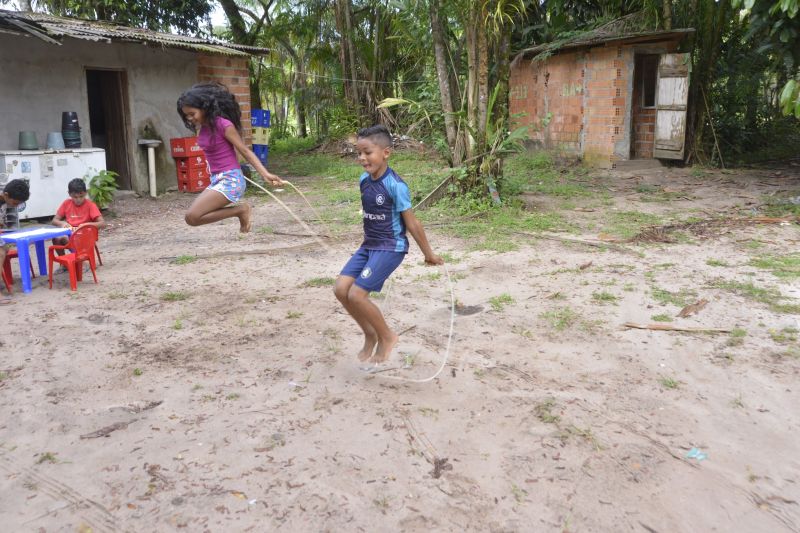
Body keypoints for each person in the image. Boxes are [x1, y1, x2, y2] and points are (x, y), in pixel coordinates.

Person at [334, 125, 443, 364]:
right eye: (359, 153)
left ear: (386, 153)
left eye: (367, 152)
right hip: (369, 246)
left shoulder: (396, 185)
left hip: (390, 247)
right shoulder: (364, 180)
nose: (362, 158)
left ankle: (388, 336)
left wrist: (429, 255)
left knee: (357, 294)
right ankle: (370, 334)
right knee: (341, 290)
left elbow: (412, 224)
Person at [176, 82, 284, 233]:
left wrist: (265, 174)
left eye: (192, 114)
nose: (189, 118)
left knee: (192, 216)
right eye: (186, 115)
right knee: (191, 218)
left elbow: (245, 151)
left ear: (204, 108)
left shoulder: (223, 125)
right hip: (217, 180)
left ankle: (240, 210)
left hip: (230, 180)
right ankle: (240, 211)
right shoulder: (203, 127)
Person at [51, 178, 106, 253]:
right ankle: (64, 261)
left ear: (85, 193)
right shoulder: (66, 204)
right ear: (69, 194)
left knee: (64, 239)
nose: (78, 199)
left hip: (85, 236)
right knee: (56, 238)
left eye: (81, 196)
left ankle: (75, 259)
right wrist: (62, 223)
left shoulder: (90, 205)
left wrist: (87, 225)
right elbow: (54, 220)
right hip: (71, 233)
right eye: (75, 197)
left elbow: (102, 224)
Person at [0, 179, 31, 302]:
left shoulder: (4, 199)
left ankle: (2, 283)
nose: (16, 206)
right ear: (6, 195)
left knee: (4, 249)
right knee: (0, 252)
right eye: (15, 203)